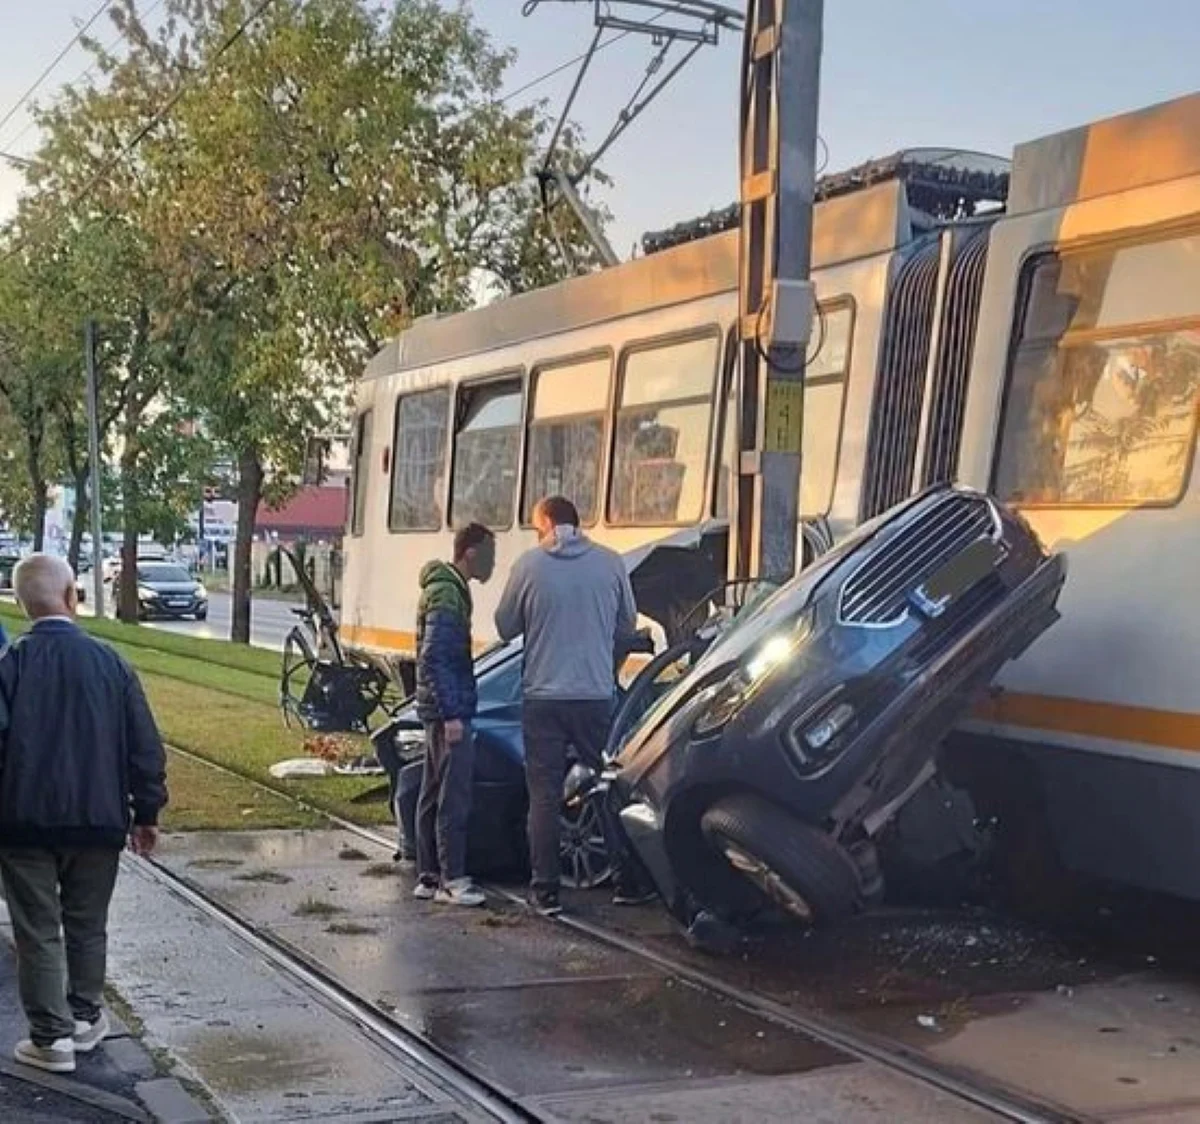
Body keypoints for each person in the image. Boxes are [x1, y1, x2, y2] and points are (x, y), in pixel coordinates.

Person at [0, 554, 167, 1074]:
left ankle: (51, 1039)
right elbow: (145, 746)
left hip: (23, 823)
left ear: (22, 605)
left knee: (38, 930)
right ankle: (84, 1017)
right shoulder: (111, 662)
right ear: (73, 596)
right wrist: (147, 812)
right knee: (87, 923)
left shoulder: (11, 665)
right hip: (98, 822)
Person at [495, 495, 648, 916]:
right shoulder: (611, 563)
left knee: (543, 794)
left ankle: (545, 890)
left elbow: (505, 626)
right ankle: (626, 880)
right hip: (596, 694)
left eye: (535, 527)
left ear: (546, 523)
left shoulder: (528, 565)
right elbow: (627, 624)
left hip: (542, 697)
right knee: (605, 784)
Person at [413, 522, 496, 907]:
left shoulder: (444, 587)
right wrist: (452, 714)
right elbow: (437, 655)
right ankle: (452, 878)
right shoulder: (448, 593)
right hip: (448, 708)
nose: (494, 563)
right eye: (490, 554)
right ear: (472, 553)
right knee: (453, 794)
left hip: (436, 706)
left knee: (431, 790)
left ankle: (429, 875)